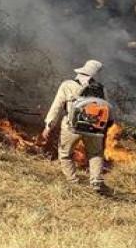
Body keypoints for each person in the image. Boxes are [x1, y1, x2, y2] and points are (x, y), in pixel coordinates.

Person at [42, 59, 112, 194]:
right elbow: (106, 108)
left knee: (65, 154)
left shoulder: (67, 85)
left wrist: (48, 125)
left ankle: (73, 182)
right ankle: (96, 181)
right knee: (95, 154)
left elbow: (56, 107)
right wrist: (105, 128)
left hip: (71, 127)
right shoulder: (101, 88)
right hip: (94, 128)